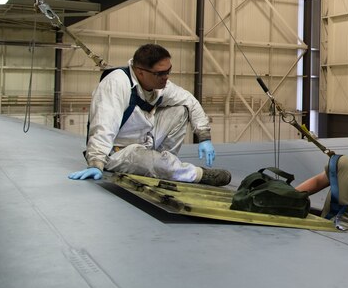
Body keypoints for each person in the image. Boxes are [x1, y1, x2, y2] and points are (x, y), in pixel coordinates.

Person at [68, 43, 231, 186]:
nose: (166, 77)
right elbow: (103, 127)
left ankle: (162, 163)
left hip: (145, 141)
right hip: (118, 152)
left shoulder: (159, 83)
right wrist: (96, 163)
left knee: (181, 110)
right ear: (140, 72)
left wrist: (204, 136)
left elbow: (189, 100)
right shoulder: (116, 84)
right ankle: (196, 174)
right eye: (160, 73)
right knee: (152, 162)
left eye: (169, 71)